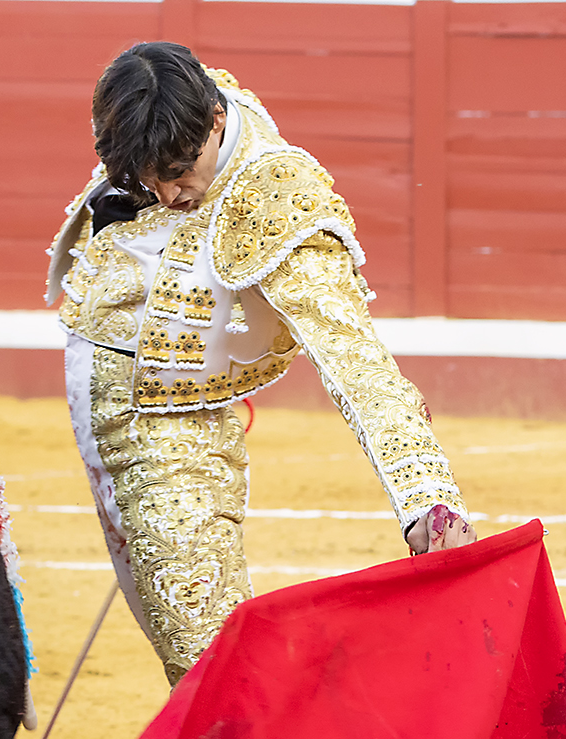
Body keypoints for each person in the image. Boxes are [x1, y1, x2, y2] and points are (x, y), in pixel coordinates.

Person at [48, 42, 477, 683]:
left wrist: (427, 499)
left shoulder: (275, 197)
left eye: (180, 170)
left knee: (210, 664)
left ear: (216, 122)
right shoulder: (172, 111)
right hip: (112, 392)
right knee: (199, 648)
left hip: (177, 417)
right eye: (144, 177)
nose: (167, 193)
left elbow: (354, 359)